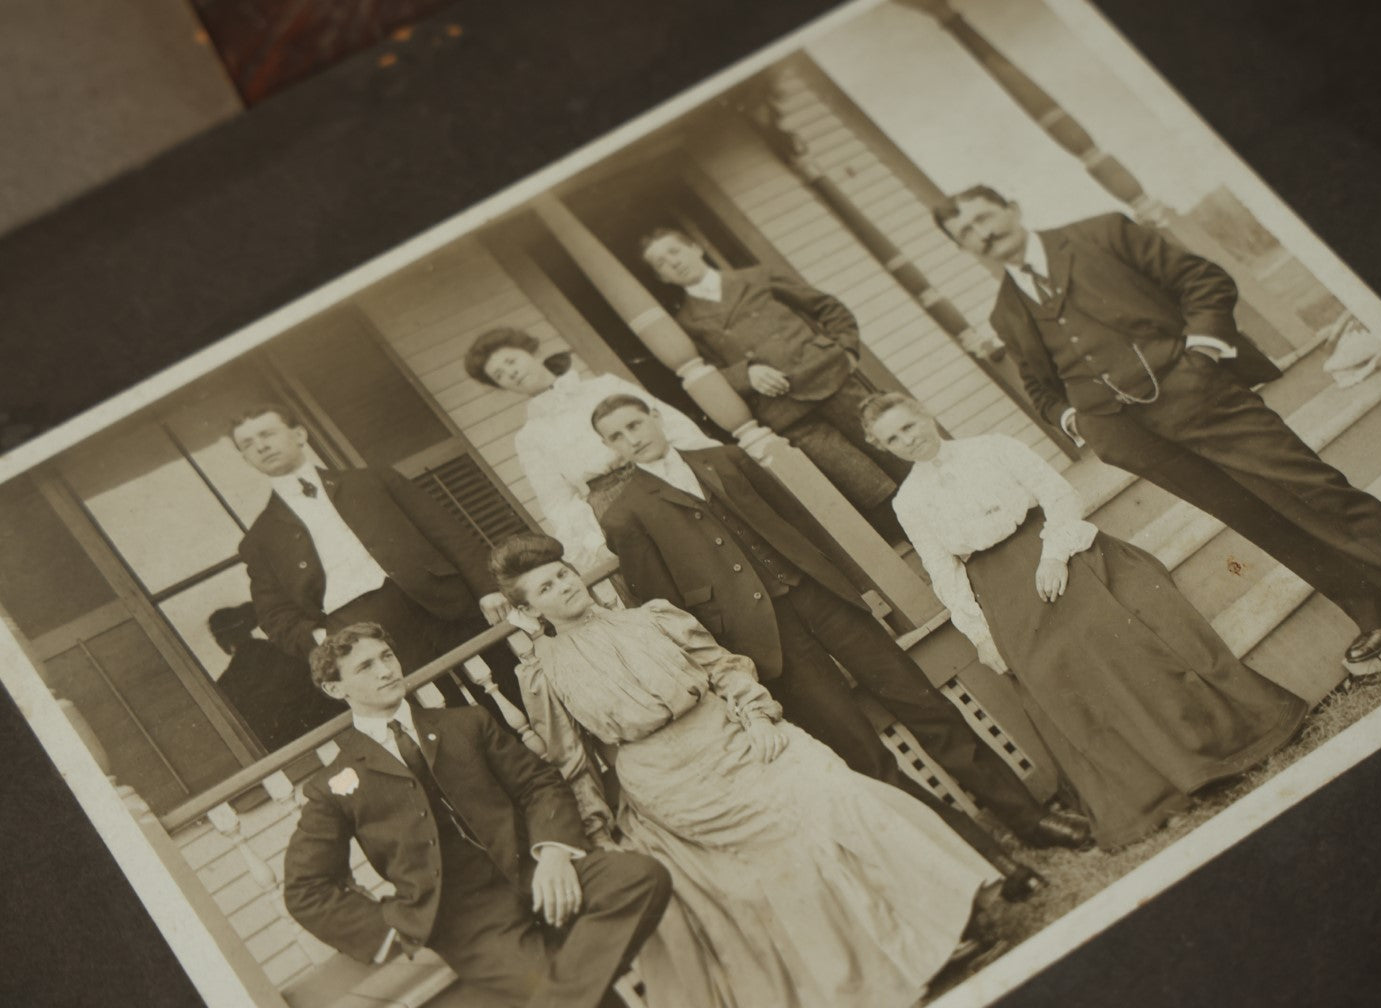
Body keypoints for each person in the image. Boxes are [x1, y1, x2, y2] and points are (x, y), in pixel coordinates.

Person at [932, 187, 1381, 664]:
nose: (984, 235)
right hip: (1130, 436)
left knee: (1315, 490)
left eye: (986, 218)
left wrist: (1203, 357)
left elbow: (1204, 282)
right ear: (964, 248)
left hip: (1201, 395)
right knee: (1255, 517)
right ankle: (1371, 610)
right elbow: (1039, 387)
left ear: (1013, 207)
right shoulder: (1005, 313)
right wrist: (1080, 423)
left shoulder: (1102, 233)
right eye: (967, 234)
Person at [492, 533, 1000, 1008]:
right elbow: (573, 765)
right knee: (784, 849)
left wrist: (757, 716)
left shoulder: (651, 618)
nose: (565, 586)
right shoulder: (543, 673)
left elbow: (727, 668)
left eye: (564, 573)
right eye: (546, 587)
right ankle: (890, 973)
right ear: (527, 610)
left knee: (837, 792)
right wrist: (597, 834)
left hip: (734, 733)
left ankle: (935, 932)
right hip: (672, 782)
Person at [590, 392, 1092, 878]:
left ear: (655, 417)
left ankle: (1029, 819)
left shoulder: (724, 458)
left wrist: (853, 590)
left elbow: (801, 526)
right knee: (863, 752)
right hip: (765, 642)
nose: (631, 439)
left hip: (823, 600)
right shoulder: (626, 514)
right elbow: (665, 607)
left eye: (635, 424)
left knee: (928, 709)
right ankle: (974, 856)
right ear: (611, 448)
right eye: (617, 436)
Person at [863, 392, 1310, 849]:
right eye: (892, 438)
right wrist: (980, 634)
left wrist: (1054, 555)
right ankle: (1152, 795)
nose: (907, 438)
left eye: (908, 424)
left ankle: (1205, 757)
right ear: (882, 447)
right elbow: (943, 570)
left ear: (925, 413)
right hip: (999, 590)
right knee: (1057, 675)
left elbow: (1058, 493)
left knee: (1113, 637)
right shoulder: (909, 501)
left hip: (1056, 552)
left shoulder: (993, 446)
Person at [282, 623, 685, 1008]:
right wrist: (395, 928)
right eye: (366, 666)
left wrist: (553, 855)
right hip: (471, 922)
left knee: (641, 877)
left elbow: (539, 784)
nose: (386, 670)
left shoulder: (464, 723)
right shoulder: (334, 783)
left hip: (538, 875)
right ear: (336, 688)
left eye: (387, 656)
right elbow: (305, 888)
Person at [230, 402, 522, 706]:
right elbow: (274, 615)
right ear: (246, 458)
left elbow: (446, 533)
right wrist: (322, 638)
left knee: (512, 685)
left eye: (267, 434)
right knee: (446, 718)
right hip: (363, 635)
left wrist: (486, 588)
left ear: (300, 434)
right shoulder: (260, 539)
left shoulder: (374, 481)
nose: (261, 446)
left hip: (440, 601)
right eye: (248, 444)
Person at [639, 227, 908, 540]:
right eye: (661, 263)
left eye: (674, 251)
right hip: (788, 413)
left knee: (898, 450)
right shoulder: (685, 322)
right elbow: (704, 374)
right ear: (663, 279)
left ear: (695, 248)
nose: (673, 262)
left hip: (832, 380)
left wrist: (845, 351)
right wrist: (745, 374)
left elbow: (829, 308)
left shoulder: (756, 277)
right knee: (867, 485)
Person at [463, 328, 720, 569]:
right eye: (500, 375)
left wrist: (711, 466)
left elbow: (671, 425)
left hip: (666, 476)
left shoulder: (604, 387)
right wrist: (594, 544)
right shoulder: (530, 437)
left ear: (533, 352)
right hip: (614, 508)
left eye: (511, 361)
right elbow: (557, 502)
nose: (511, 374)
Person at [209, 602, 339, 750]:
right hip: (331, 726)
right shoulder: (285, 648)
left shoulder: (225, 685)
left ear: (222, 642)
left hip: (288, 751)